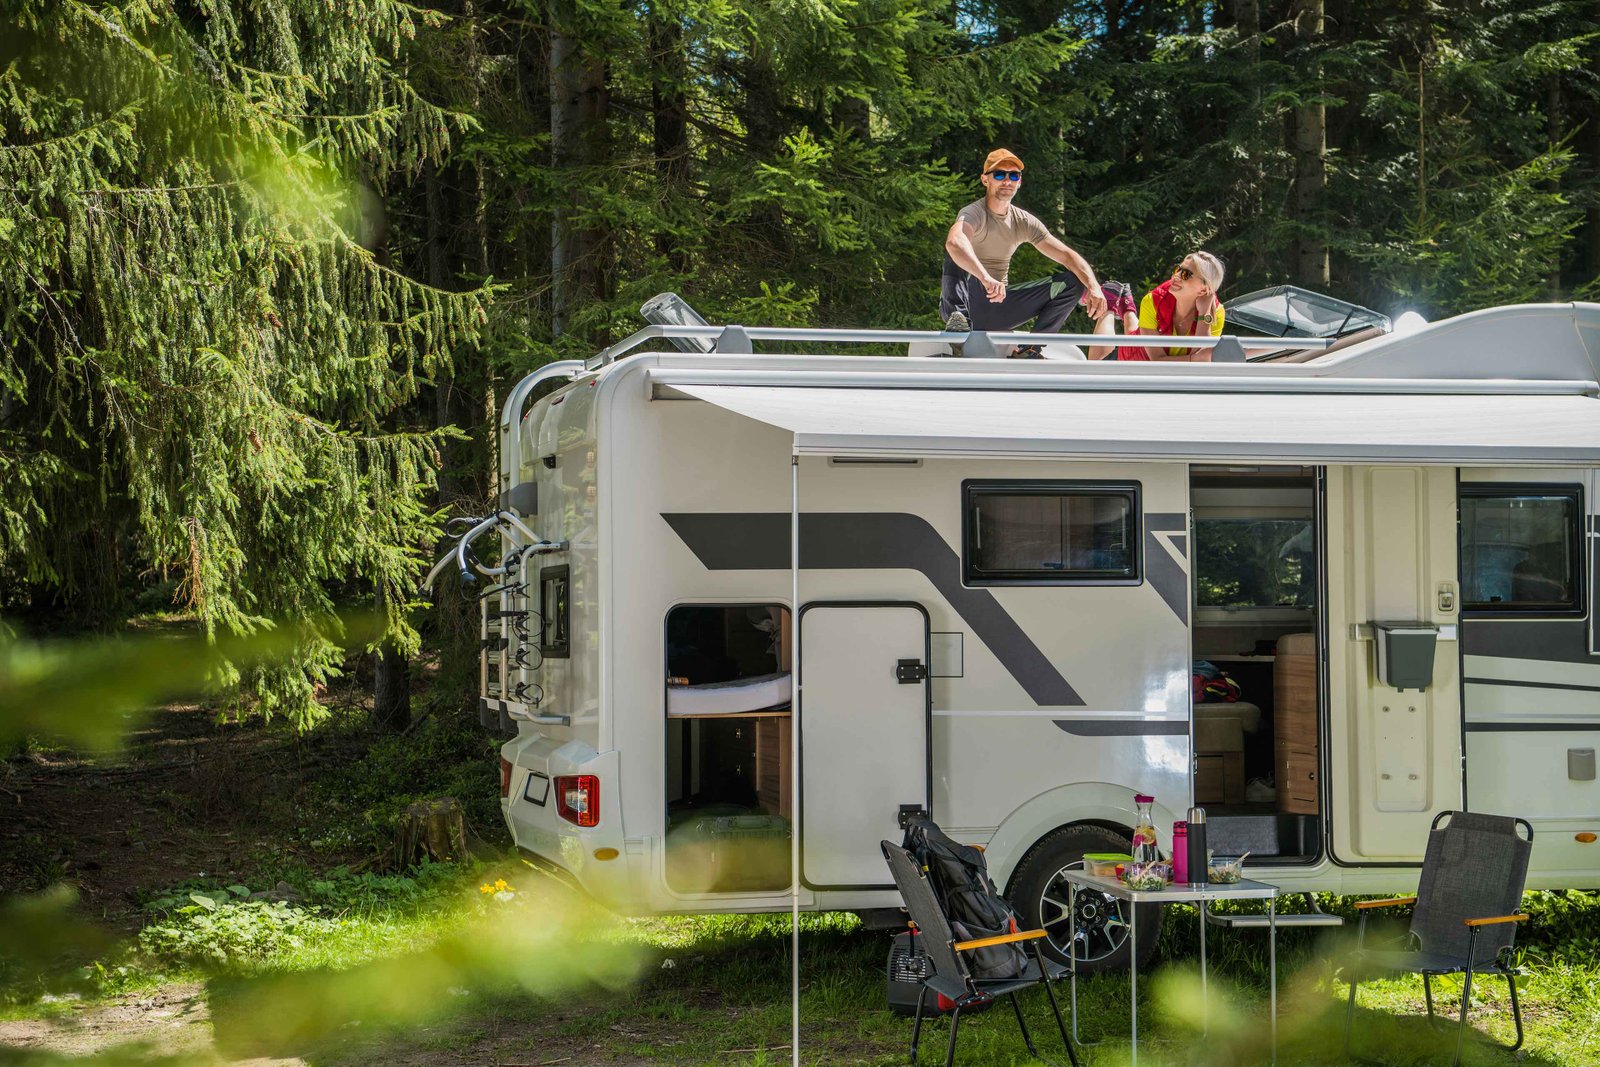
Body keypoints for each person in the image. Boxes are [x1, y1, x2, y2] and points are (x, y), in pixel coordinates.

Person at [941, 148, 1107, 358]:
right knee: (955, 247)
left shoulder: (1023, 221)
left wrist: (1094, 287)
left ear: (1019, 182)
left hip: (999, 305)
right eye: (999, 174)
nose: (1007, 181)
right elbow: (955, 242)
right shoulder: (973, 212)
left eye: (1014, 175)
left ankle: (1030, 349)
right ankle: (958, 327)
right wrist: (985, 278)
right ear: (985, 180)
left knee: (1074, 281)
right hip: (968, 303)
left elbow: (1067, 256)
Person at [1111, 251, 1228, 361]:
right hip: (1134, 360)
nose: (1176, 275)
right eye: (1178, 269)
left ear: (1203, 290)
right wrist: (1194, 359)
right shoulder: (1152, 301)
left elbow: (1200, 360)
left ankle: (1126, 305)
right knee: (1126, 337)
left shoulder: (1216, 313)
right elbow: (1158, 360)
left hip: (1177, 372)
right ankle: (1117, 308)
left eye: (1186, 274)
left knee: (1135, 327)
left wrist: (1204, 314)